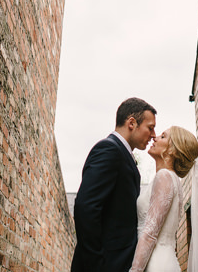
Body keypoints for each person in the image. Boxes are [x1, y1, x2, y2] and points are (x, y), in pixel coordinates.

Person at [71, 98, 157, 272]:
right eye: (150, 127)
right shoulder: (109, 150)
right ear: (132, 123)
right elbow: (86, 207)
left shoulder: (122, 154)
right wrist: (96, 264)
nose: (154, 134)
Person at [128, 126, 198, 272]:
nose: (155, 138)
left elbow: (150, 234)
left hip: (155, 264)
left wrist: (135, 270)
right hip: (161, 260)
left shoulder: (164, 177)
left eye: (163, 136)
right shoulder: (169, 179)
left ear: (172, 151)